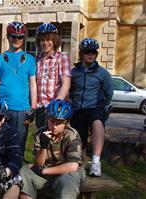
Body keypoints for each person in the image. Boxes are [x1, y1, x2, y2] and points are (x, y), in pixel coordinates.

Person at [20, 99, 85, 199]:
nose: (54, 126)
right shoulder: (41, 133)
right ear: (47, 119)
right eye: (52, 121)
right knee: (23, 171)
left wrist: (45, 171)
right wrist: (43, 146)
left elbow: (73, 166)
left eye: (59, 123)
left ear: (66, 122)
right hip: (47, 172)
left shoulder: (71, 134)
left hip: (66, 173)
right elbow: (39, 164)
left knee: (68, 181)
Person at [0, 21, 37, 156]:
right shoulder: (0, 59)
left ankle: (17, 170)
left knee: (19, 142)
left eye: (20, 37)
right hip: (3, 108)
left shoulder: (29, 59)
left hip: (22, 109)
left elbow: (33, 84)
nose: (17, 40)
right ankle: (1, 169)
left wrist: (33, 107)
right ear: (8, 37)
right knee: (0, 140)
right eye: (13, 36)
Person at [69, 38, 113, 177]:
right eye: (87, 52)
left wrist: (103, 107)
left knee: (97, 123)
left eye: (93, 52)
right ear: (82, 53)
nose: (90, 55)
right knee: (78, 137)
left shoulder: (102, 73)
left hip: (95, 106)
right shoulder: (74, 72)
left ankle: (95, 162)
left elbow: (109, 93)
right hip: (78, 109)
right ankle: (79, 164)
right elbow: (69, 89)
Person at [35, 23, 71, 129]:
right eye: (42, 40)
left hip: (56, 108)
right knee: (42, 140)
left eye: (48, 40)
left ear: (54, 41)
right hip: (41, 107)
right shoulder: (37, 59)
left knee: (57, 141)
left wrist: (56, 103)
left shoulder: (61, 58)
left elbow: (66, 83)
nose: (45, 43)